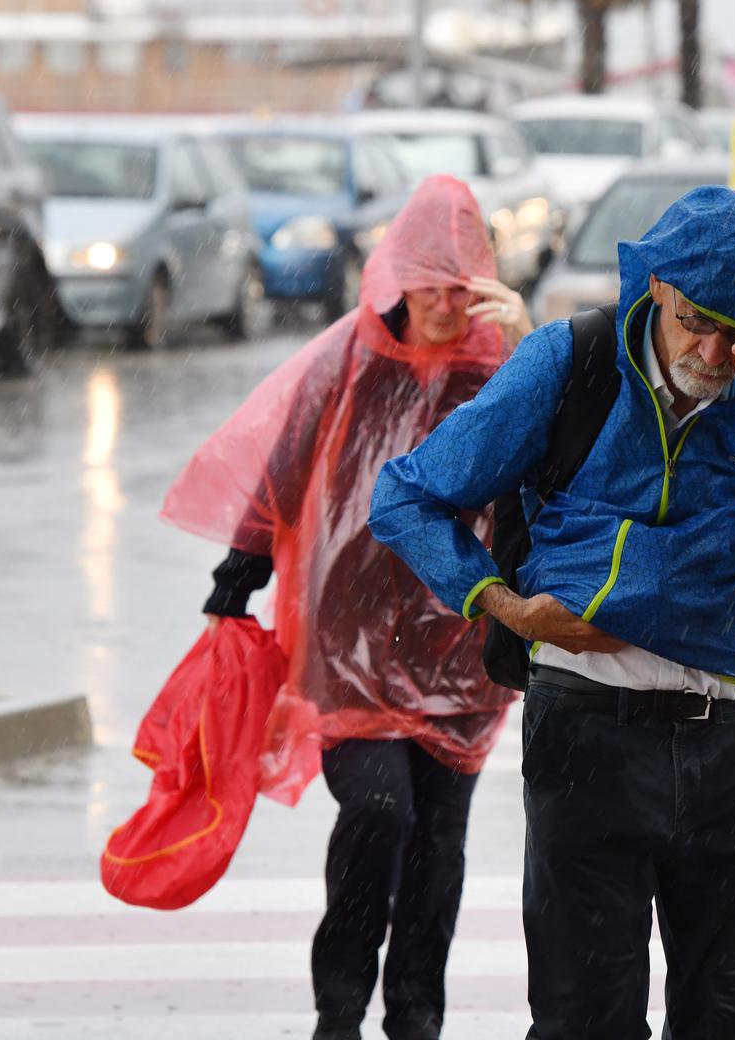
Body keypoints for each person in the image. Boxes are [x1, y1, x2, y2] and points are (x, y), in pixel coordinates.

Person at [369, 185, 735, 1039]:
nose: (714, 351)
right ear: (656, 284)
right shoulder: (570, 363)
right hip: (587, 738)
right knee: (584, 1022)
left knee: (719, 1023)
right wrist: (506, 607)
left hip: (734, 752)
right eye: (696, 320)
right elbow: (405, 497)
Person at [161, 175, 533, 1040]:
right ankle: (340, 1009)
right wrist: (240, 570)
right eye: (428, 283)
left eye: (460, 285)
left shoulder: (501, 367)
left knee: (437, 843)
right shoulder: (351, 355)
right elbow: (287, 462)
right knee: (377, 812)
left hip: (459, 643)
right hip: (346, 638)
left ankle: (416, 1015)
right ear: (397, 276)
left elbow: (555, 460)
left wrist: (522, 343)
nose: (444, 303)